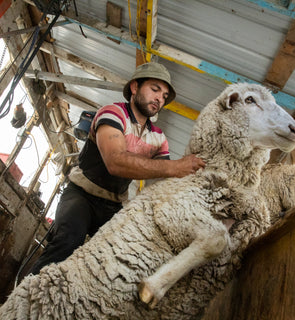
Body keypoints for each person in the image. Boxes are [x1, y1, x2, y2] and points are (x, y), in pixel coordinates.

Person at [30, 62, 206, 274]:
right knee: (67, 242)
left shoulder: (159, 137)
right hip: (82, 194)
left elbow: (165, 180)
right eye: (155, 89)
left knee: (113, 262)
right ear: (134, 88)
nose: (160, 98)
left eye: (165, 95)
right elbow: (115, 161)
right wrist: (176, 167)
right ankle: (23, 302)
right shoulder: (113, 114)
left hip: (113, 206)